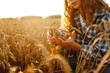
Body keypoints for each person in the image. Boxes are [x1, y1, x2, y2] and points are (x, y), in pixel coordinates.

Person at [47, 0, 110, 73]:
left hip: (103, 67)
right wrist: (56, 36)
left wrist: (75, 46)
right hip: (80, 64)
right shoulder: (71, 16)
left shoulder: (105, 17)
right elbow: (64, 32)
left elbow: (103, 56)